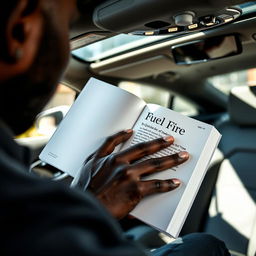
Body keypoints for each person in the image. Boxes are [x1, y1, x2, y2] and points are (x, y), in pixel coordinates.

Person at [0, 0, 230, 255]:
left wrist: (85, 202)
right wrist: (89, 208)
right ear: (20, 31)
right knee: (205, 245)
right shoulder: (46, 223)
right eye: (67, 29)